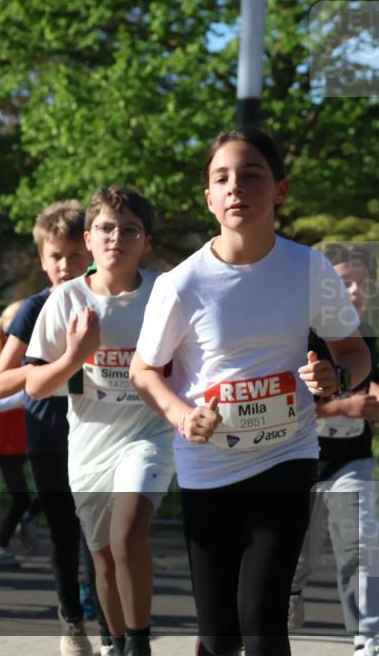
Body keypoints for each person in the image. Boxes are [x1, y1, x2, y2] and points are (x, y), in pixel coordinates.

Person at [129, 128, 371, 656]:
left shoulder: (308, 268)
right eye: (222, 179)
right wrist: (180, 415)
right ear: (209, 198)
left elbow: (353, 351)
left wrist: (339, 378)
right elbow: (144, 370)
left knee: (262, 618)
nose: (236, 187)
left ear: (280, 189)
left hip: (287, 453)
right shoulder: (182, 283)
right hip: (209, 465)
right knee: (220, 633)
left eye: (251, 175)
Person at [26, 186, 176, 656]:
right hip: (90, 444)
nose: (117, 238)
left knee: (128, 531)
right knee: (104, 559)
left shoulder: (164, 295)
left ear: (145, 241)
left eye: (129, 229)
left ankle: (139, 642)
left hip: (150, 435)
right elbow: (35, 386)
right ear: (89, 239)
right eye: (107, 228)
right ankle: (116, 641)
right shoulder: (67, 300)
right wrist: (75, 355)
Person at [0, 201, 101, 655]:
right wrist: (58, 365)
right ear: (41, 258)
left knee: (101, 535)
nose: (65, 266)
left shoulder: (107, 303)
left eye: (75, 255)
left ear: (91, 251)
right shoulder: (33, 310)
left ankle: (111, 628)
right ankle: (71, 622)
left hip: (100, 433)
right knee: (63, 532)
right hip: (50, 435)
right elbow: (0, 383)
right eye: (56, 256)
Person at [288, 244, 379, 656]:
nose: (356, 290)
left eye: (363, 281)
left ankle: (368, 639)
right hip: (296, 459)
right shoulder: (300, 334)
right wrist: (344, 405)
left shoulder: (369, 334)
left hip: (352, 459)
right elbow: (287, 404)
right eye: (345, 282)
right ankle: (287, 596)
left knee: (360, 546)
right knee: (296, 555)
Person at [0, 300, 42, 568]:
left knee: (54, 485)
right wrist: (27, 394)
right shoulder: (3, 361)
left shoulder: (31, 358)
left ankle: (28, 517)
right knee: (20, 497)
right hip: (5, 442)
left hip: (26, 438)